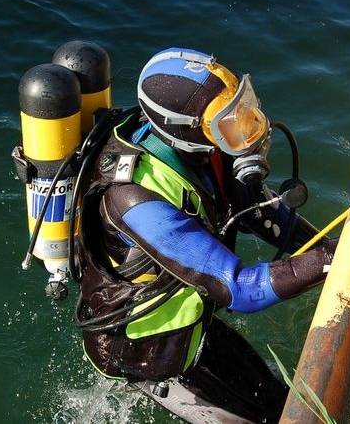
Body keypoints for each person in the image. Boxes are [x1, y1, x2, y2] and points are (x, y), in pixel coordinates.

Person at [72, 48, 336, 423]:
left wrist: (325, 245)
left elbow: (256, 210)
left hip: (192, 322)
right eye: (228, 123)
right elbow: (239, 290)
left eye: (241, 109)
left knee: (277, 404)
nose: (246, 129)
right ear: (184, 129)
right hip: (147, 349)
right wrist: (328, 261)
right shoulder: (135, 199)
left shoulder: (205, 148)